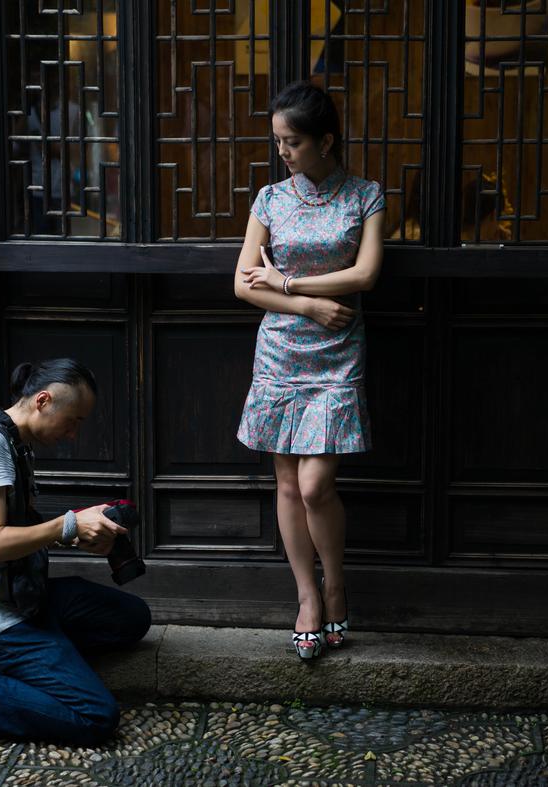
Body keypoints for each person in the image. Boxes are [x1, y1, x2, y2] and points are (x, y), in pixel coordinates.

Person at [0, 359, 151, 746]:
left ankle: (43, 658)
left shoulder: (14, 440)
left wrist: (78, 535)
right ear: (43, 401)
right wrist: (67, 525)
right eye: (73, 420)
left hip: (23, 597)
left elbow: (20, 532)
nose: (73, 433)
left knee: (131, 618)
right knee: (96, 717)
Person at [234, 81, 385, 661]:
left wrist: (288, 281)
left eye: (292, 141)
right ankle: (307, 597)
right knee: (287, 484)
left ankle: (336, 583)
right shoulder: (270, 199)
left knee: (317, 485)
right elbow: (243, 284)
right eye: (277, 141)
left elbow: (365, 275)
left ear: (325, 141)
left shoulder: (366, 195)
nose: (282, 152)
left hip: (338, 352)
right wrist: (306, 305)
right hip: (281, 350)